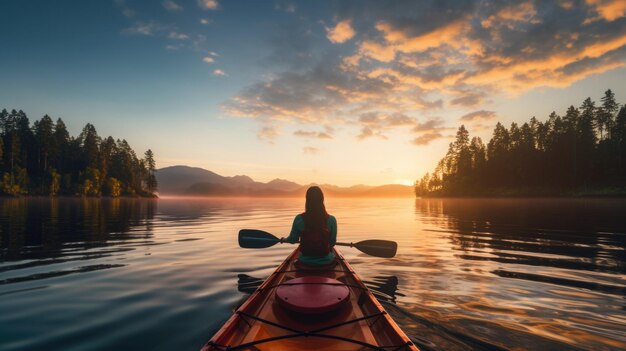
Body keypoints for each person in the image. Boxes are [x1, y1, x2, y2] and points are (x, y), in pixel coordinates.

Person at [282, 186, 337, 265]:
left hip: (305, 261)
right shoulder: (332, 220)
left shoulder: (299, 219)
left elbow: (293, 240)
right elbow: (332, 243)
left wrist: (284, 239)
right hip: (326, 261)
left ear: (307, 200)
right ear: (322, 200)